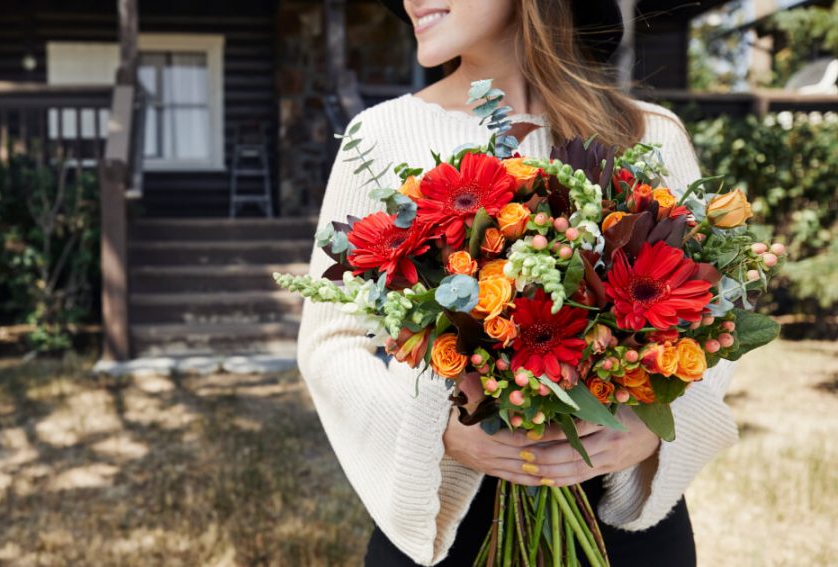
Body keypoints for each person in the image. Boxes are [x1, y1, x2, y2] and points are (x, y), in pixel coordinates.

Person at [295, 1, 739, 565]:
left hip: (618, 516)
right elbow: (331, 343)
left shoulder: (649, 133)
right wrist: (438, 431)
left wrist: (651, 429)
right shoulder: (380, 135)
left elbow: (715, 318)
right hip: (448, 518)